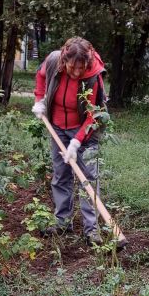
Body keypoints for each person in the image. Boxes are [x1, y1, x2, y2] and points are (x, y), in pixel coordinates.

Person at [32, 36, 106, 246]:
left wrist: (76, 143)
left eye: (80, 68)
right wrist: (40, 101)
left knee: (88, 179)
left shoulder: (93, 77)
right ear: (65, 60)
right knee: (60, 175)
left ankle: (92, 230)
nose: (75, 73)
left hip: (85, 130)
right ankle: (63, 222)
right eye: (72, 67)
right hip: (57, 126)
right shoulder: (55, 60)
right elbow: (40, 75)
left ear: (87, 63)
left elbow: (94, 115)